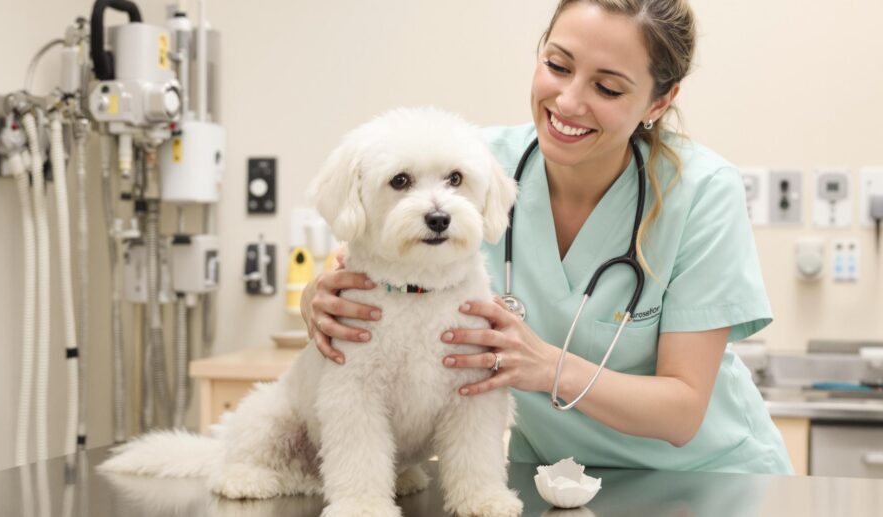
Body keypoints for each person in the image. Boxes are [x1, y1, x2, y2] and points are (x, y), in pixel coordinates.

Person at [301, 0, 792, 474]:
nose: (569, 101)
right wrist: (316, 301)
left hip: (702, 482)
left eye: (608, 88)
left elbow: (682, 412)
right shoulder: (468, 167)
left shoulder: (702, 192)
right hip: (551, 478)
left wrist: (547, 367)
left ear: (659, 101)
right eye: (558, 66)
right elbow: (373, 257)